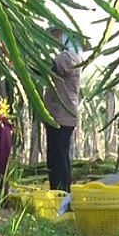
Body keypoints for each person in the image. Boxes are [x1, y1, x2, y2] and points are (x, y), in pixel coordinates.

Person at [44, 26, 83, 192]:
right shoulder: (75, 57)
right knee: (59, 155)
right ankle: (62, 193)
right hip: (63, 114)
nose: (56, 39)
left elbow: (47, 67)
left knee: (57, 157)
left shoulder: (68, 57)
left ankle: (61, 193)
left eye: (59, 36)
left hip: (62, 114)